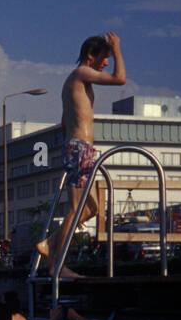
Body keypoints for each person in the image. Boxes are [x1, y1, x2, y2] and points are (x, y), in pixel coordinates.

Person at [37, 31, 127, 277]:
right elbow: (121, 79)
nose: (106, 62)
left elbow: (65, 120)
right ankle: (56, 265)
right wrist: (117, 48)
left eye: (109, 57)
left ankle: (50, 242)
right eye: (104, 57)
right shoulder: (80, 73)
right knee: (77, 208)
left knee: (92, 208)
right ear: (90, 55)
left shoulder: (77, 84)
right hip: (78, 148)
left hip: (80, 148)